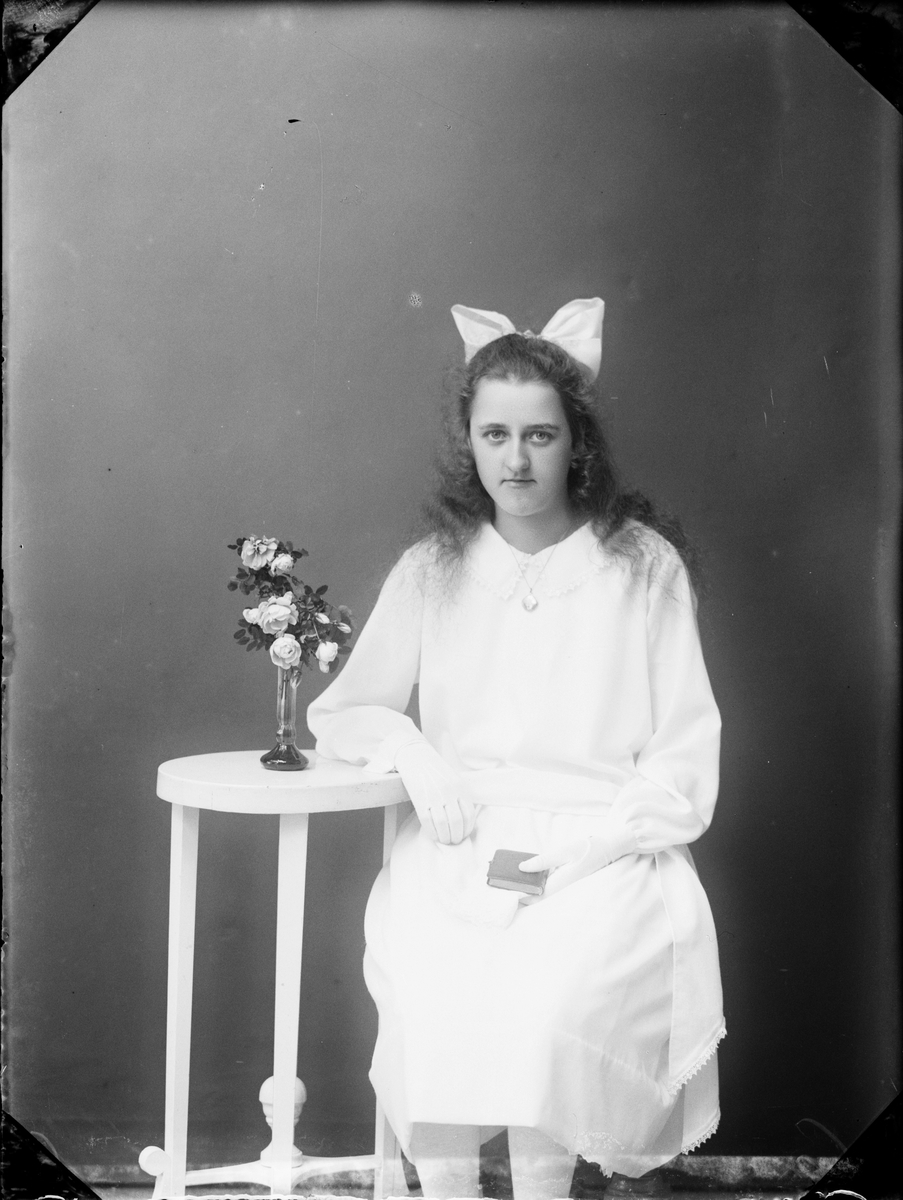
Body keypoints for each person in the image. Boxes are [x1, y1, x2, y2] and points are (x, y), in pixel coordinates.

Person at [307, 298, 725, 1200]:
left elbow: (683, 752)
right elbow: (344, 712)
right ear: (469, 441)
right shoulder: (433, 568)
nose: (516, 459)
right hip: (461, 846)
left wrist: (599, 847)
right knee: (433, 992)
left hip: (600, 852)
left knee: (547, 1002)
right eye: (495, 434)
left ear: (577, 443)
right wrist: (413, 750)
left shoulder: (642, 566)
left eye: (540, 435)